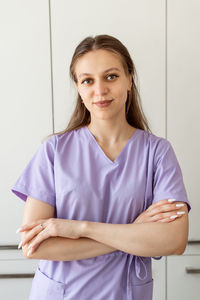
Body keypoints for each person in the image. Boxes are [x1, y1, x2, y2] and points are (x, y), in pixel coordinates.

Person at [11, 34, 191, 300]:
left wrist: (79, 229)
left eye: (111, 76)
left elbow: (173, 241)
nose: (100, 90)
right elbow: (34, 246)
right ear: (78, 88)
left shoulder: (157, 152)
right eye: (87, 80)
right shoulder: (54, 151)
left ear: (129, 79)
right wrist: (133, 231)